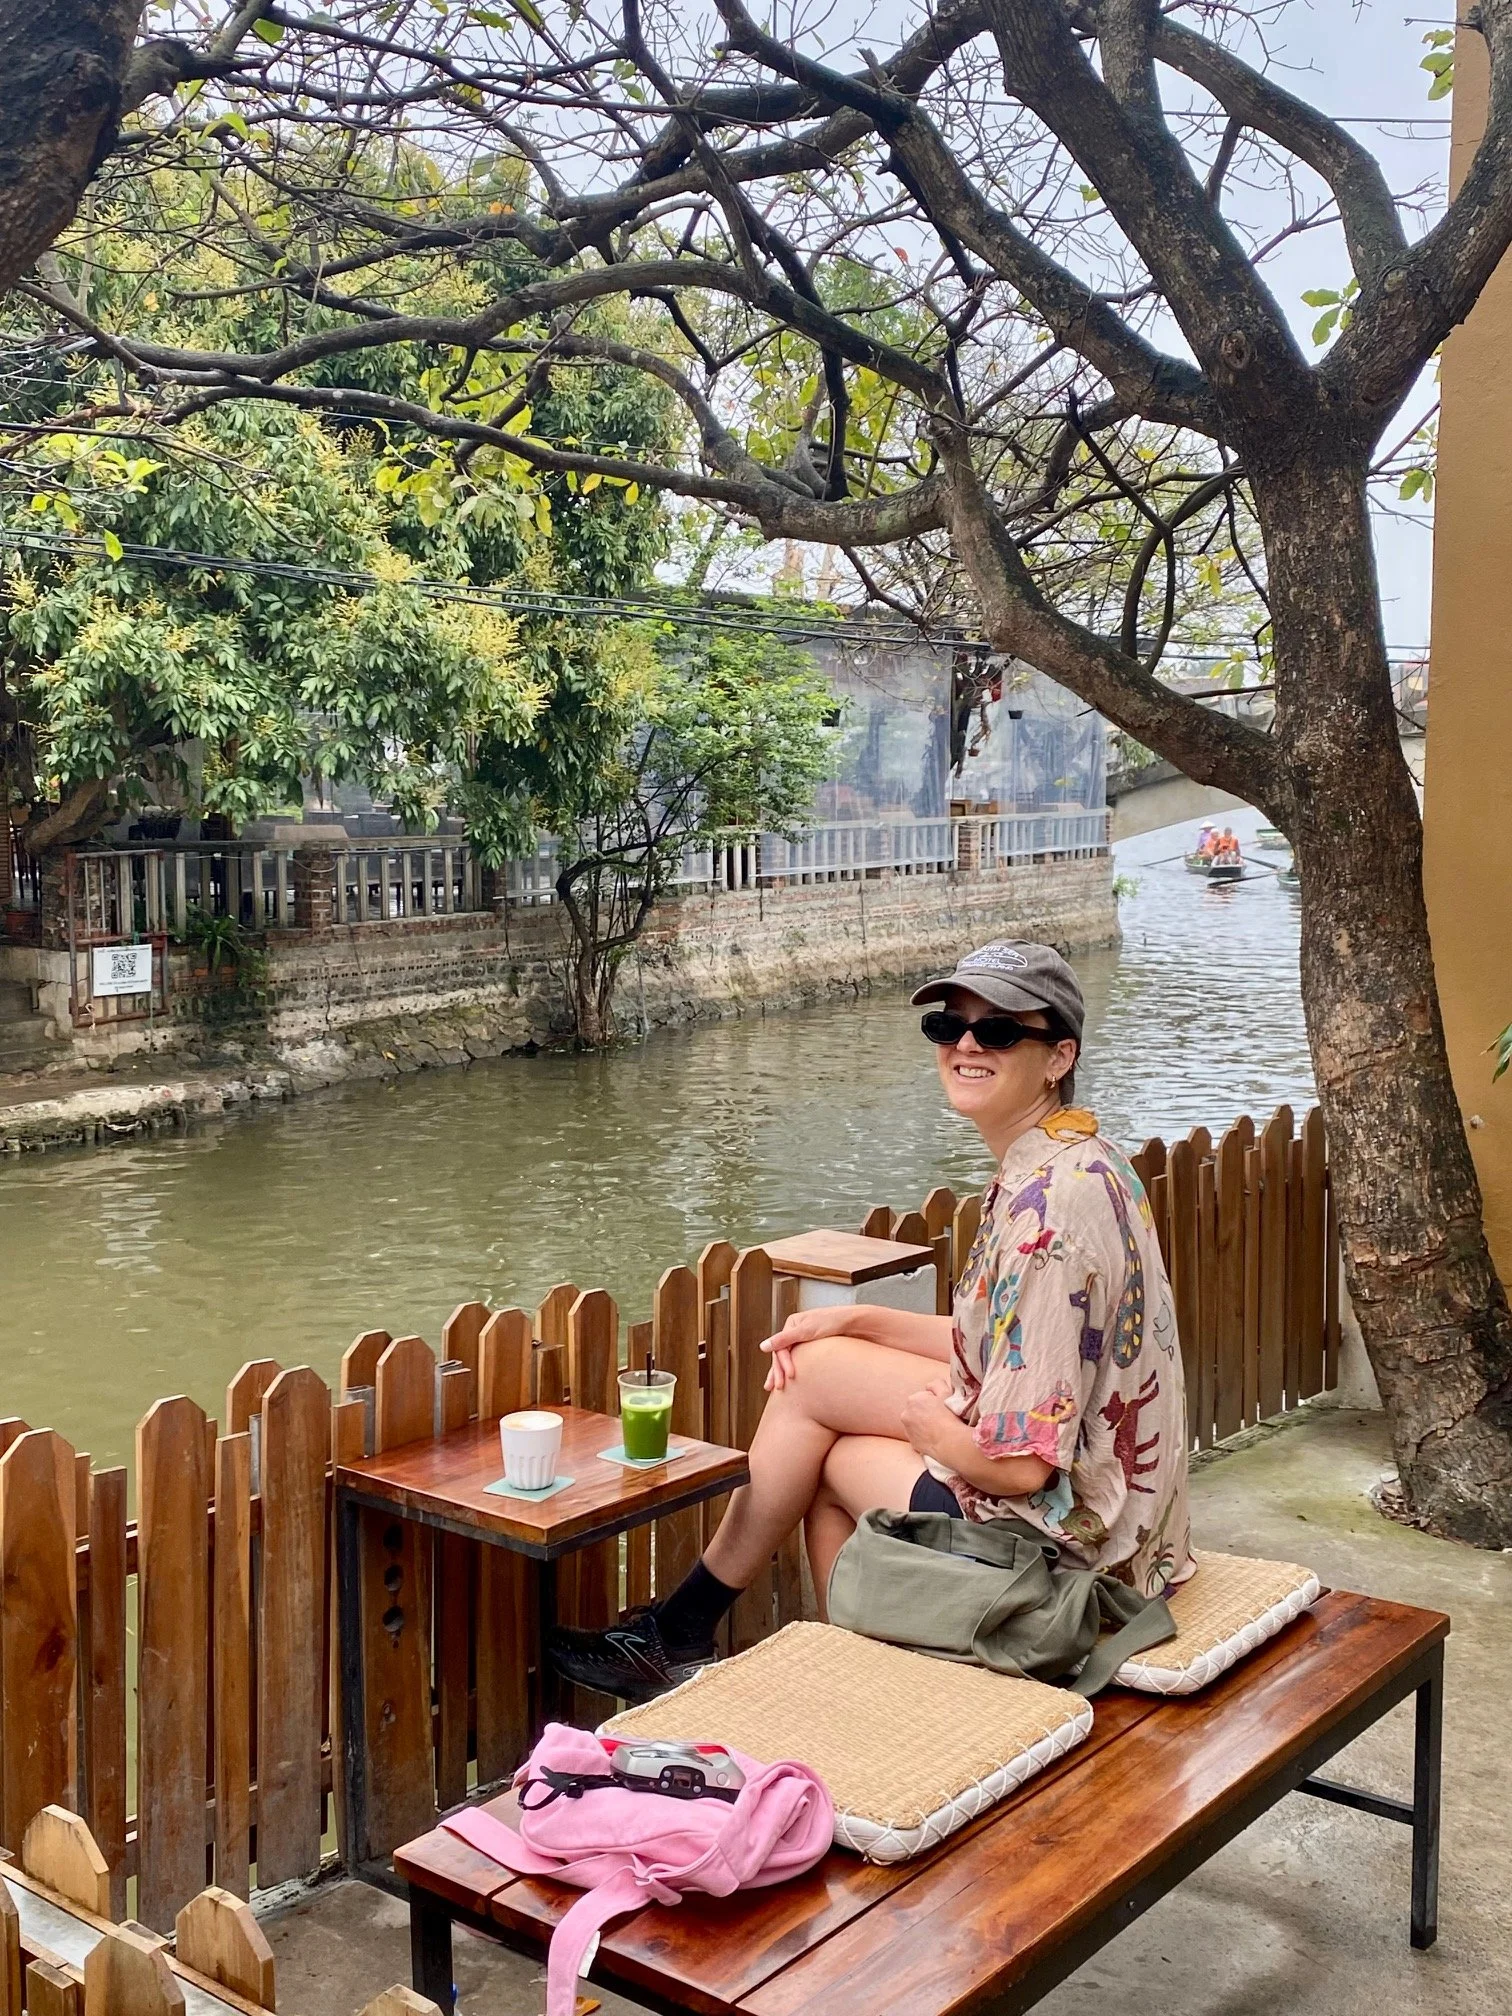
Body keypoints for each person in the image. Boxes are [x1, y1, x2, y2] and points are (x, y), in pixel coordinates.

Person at [549, 940, 1195, 1705]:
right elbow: (1005, 1345)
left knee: (831, 1469)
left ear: (1059, 1057)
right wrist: (857, 1321)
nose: (964, 1046)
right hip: (1132, 1515)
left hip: (1079, 1543)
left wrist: (936, 1435)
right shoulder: (1079, 1159)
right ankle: (685, 1634)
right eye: (947, 1026)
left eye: (996, 1031)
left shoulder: (1046, 1217)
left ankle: (847, 1689)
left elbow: (1022, 1469)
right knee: (817, 1373)